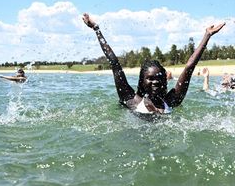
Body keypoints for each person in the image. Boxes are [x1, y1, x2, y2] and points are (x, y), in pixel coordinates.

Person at [82, 13, 225, 115]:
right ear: (142, 81)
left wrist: (207, 36)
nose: (155, 81)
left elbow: (189, 68)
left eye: (159, 78)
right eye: (150, 78)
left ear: (164, 80)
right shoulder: (131, 100)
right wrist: (97, 29)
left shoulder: (171, 101)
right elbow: (114, 64)